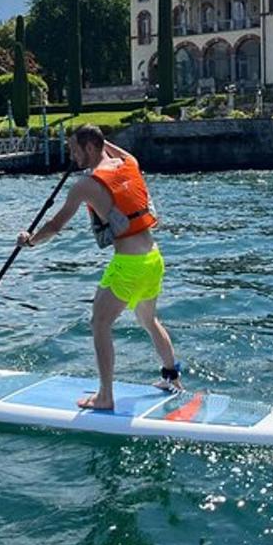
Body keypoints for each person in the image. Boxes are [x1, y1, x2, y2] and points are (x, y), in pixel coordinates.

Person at [16, 124, 182, 410]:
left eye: (75, 149)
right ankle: (172, 377)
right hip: (153, 258)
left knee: (100, 323)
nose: (72, 155)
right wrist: (98, 140)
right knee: (148, 320)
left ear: (91, 148)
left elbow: (55, 225)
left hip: (129, 264)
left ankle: (105, 396)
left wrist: (30, 241)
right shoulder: (130, 163)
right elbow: (112, 150)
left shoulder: (85, 186)